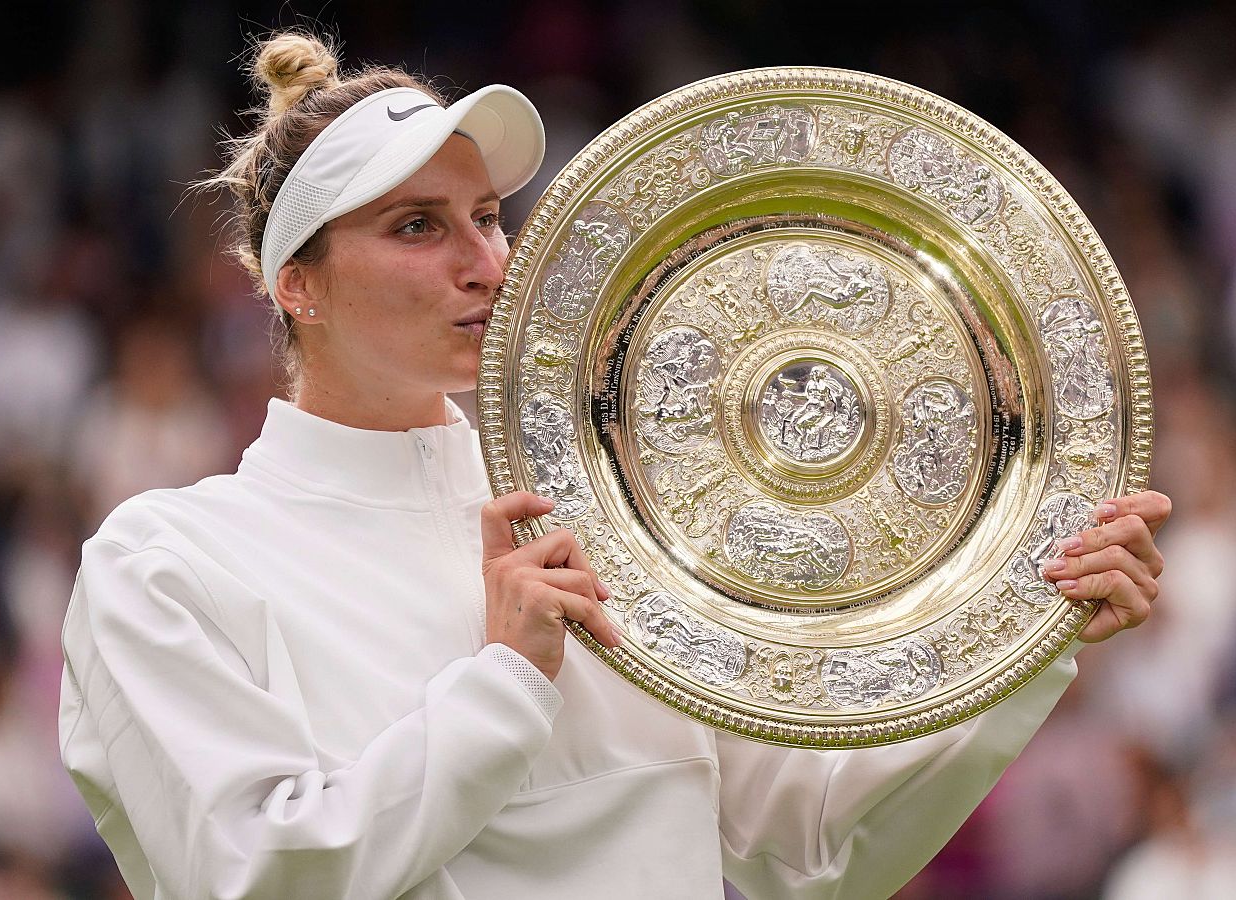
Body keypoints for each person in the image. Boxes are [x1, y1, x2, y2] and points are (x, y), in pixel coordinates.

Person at [58, 32, 1172, 900]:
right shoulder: (167, 561)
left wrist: (1028, 635)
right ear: (293, 284)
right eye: (415, 227)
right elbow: (250, 874)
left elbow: (821, 855)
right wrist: (503, 679)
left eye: (487, 217)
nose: (486, 262)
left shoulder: (611, 513)